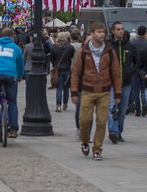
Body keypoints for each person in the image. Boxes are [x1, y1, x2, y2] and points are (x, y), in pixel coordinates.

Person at [72, 22, 123, 160]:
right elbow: (76, 73)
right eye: (99, 32)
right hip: (87, 90)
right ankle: (84, 140)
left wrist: (117, 93)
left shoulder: (109, 52)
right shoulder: (83, 52)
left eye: (103, 32)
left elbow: (116, 73)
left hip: (105, 91)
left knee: (101, 122)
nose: (102, 35)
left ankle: (97, 149)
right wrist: (74, 92)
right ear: (92, 34)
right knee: (84, 120)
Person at [106, 21, 137, 144]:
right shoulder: (108, 46)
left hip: (126, 82)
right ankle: (113, 132)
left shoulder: (130, 46)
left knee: (122, 111)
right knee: (112, 107)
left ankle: (118, 133)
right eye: (118, 29)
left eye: (122, 29)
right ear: (113, 31)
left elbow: (137, 62)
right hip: (111, 83)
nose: (120, 31)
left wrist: (131, 70)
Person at [51, 32, 75, 113]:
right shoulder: (70, 47)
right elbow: (72, 57)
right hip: (67, 70)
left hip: (58, 71)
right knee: (66, 88)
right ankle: (65, 103)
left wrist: (55, 65)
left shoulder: (54, 47)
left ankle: (58, 105)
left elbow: (51, 58)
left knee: (59, 88)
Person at [133, 26, 147, 117]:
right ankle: (144, 106)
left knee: (135, 90)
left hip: (135, 69)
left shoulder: (132, 43)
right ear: (145, 33)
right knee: (143, 89)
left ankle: (137, 110)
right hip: (144, 70)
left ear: (137, 32)